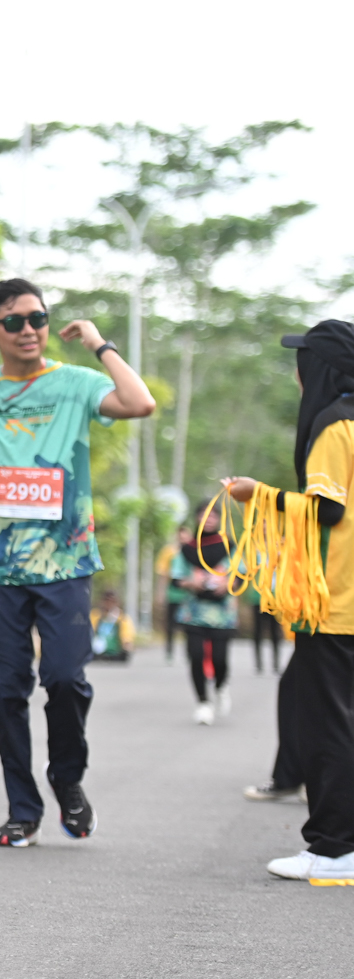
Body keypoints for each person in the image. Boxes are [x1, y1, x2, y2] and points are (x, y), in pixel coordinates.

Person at [0, 278, 155, 848]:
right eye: (14, 321)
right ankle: (23, 809)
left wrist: (99, 344)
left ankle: (67, 777)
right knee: (6, 692)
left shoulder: (75, 383)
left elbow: (140, 403)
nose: (28, 330)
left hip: (66, 563)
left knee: (65, 679)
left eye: (37, 318)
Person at [227, 320, 354, 883]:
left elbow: (328, 509)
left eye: (303, 361)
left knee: (327, 727)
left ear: (321, 369)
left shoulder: (334, 424)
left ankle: (334, 849)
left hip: (335, 605)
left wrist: (258, 495)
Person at [172, 508, 236, 725]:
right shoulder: (187, 549)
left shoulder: (229, 546)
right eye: (203, 515)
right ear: (196, 518)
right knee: (196, 655)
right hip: (194, 612)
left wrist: (227, 584)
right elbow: (176, 578)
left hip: (221, 613)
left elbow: (242, 574)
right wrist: (191, 583)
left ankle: (221, 685)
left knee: (219, 658)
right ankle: (203, 702)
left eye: (213, 516)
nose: (208, 520)